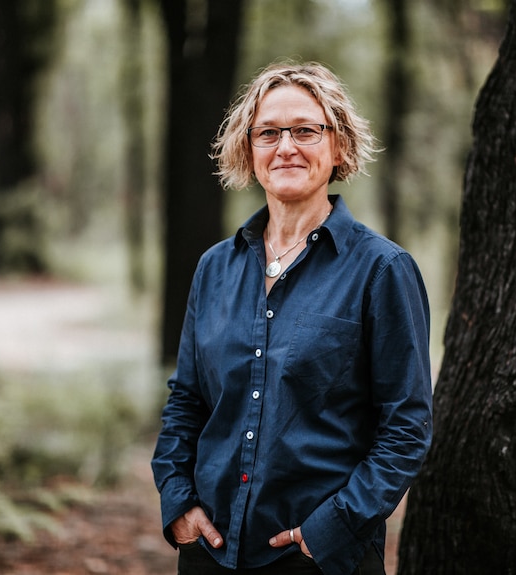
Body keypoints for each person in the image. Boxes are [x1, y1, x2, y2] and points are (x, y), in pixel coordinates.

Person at [151, 60, 432, 575]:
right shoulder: (215, 267)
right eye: (269, 133)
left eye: (306, 130)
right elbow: (186, 401)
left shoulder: (382, 270)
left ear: (338, 145)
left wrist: (330, 530)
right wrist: (178, 503)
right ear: (248, 148)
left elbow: (407, 428)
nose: (286, 146)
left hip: (322, 559)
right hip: (210, 550)